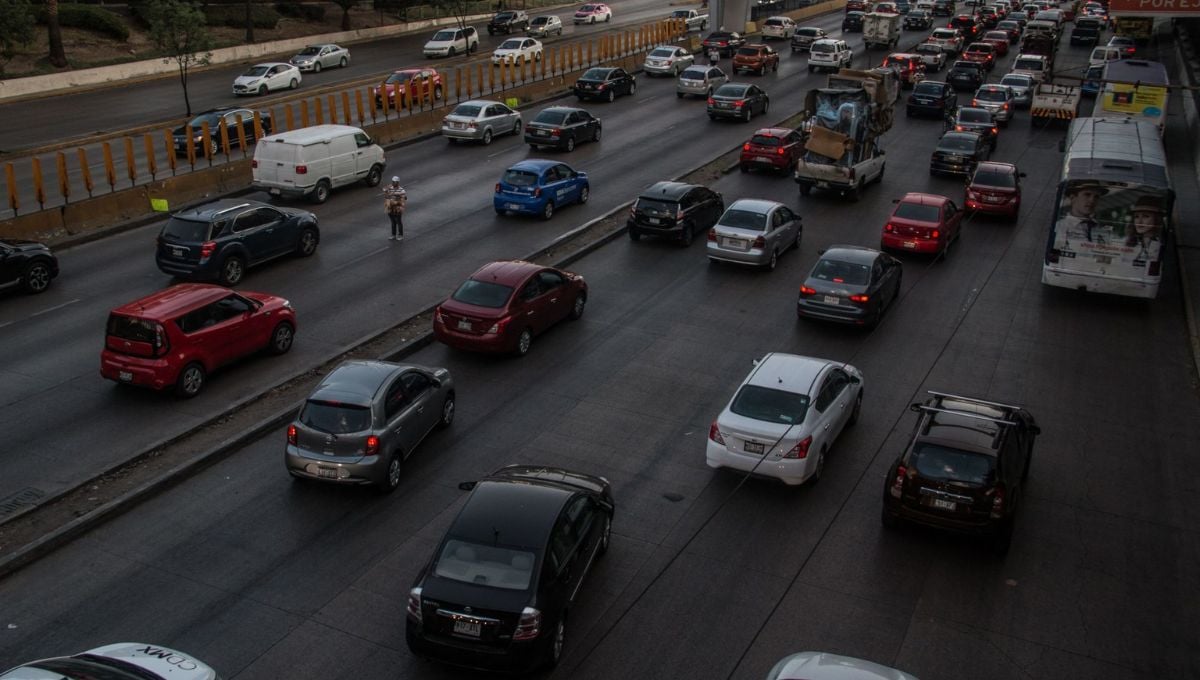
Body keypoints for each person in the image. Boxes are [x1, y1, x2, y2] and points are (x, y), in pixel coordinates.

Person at [1054, 180, 1110, 249]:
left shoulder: (1101, 229)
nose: (1092, 200)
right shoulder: (1059, 227)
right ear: (1073, 198)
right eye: (1087, 194)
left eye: (1096, 197)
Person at [1123, 195, 1165, 262]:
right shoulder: (1128, 242)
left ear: (1157, 219)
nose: (1139, 221)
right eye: (1136, 216)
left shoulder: (1162, 244)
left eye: (1145, 216)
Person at [384, 177, 407, 241]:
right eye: (393, 182)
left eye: (395, 182)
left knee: (398, 221)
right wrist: (387, 188)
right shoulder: (390, 188)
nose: (393, 183)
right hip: (390, 208)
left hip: (398, 208)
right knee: (393, 222)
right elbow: (385, 191)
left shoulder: (401, 190)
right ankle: (393, 234)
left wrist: (396, 197)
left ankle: (400, 235)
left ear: (398, 183)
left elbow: (404, 199)